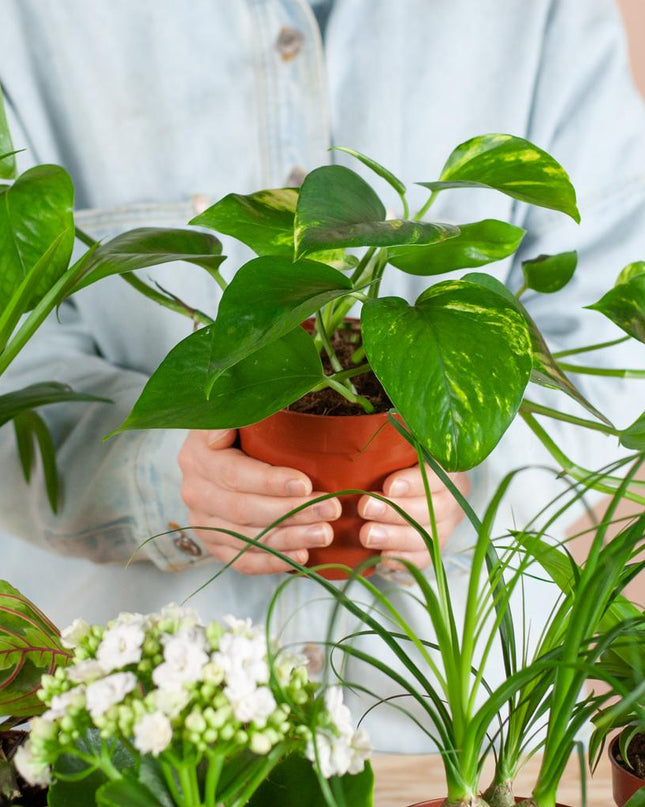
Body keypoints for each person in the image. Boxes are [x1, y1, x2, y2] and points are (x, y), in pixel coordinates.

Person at [1, 0, 644, 752]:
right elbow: (19, 370)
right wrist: (164, 480)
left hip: (451, 725)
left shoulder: (536, 14)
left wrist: (474, 468)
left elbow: (610, 331)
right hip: (134, 719)